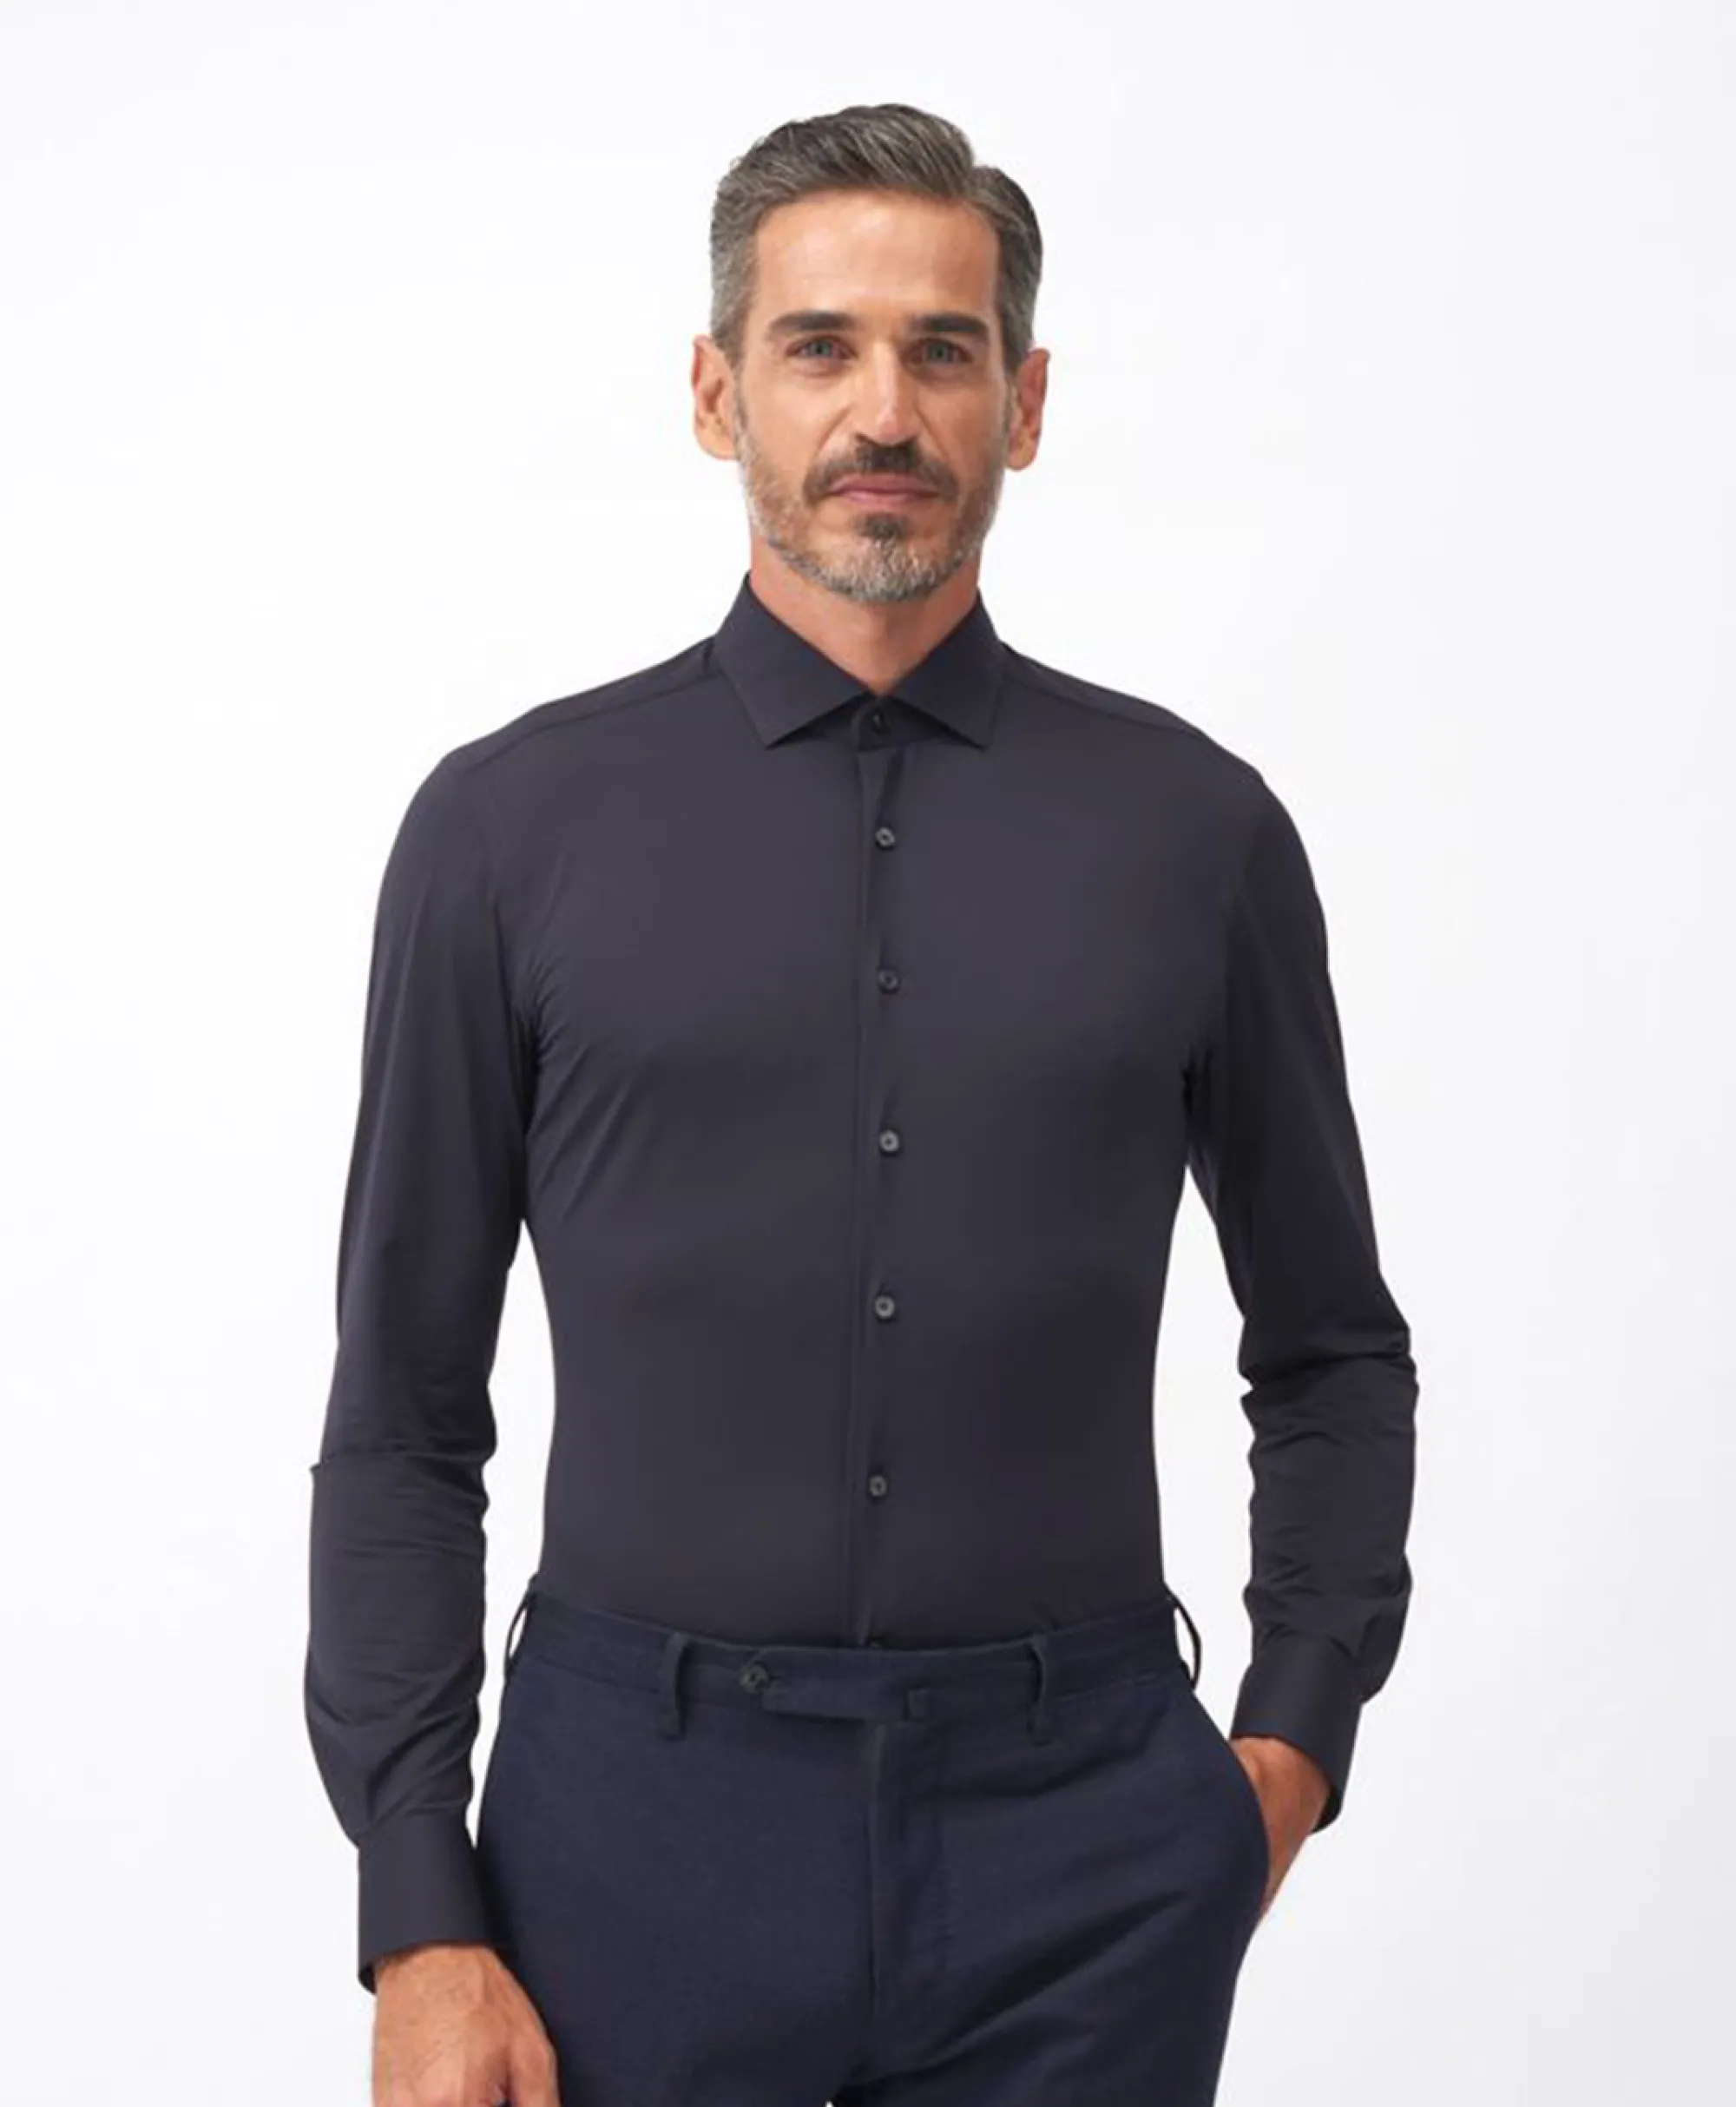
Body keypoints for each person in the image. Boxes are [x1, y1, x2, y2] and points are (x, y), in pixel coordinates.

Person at [304, 100, 1418, 2107]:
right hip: (625, 1841)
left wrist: (1285, 1749)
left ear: (1025, 401)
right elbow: (401, 1411)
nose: (881, 410)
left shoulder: (1196, 835)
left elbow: (1331, 1349)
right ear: (716, 391)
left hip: (1086, 1848)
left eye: (942, 349)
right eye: (819, 346)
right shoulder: (507, 833)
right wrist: (416, 1908)